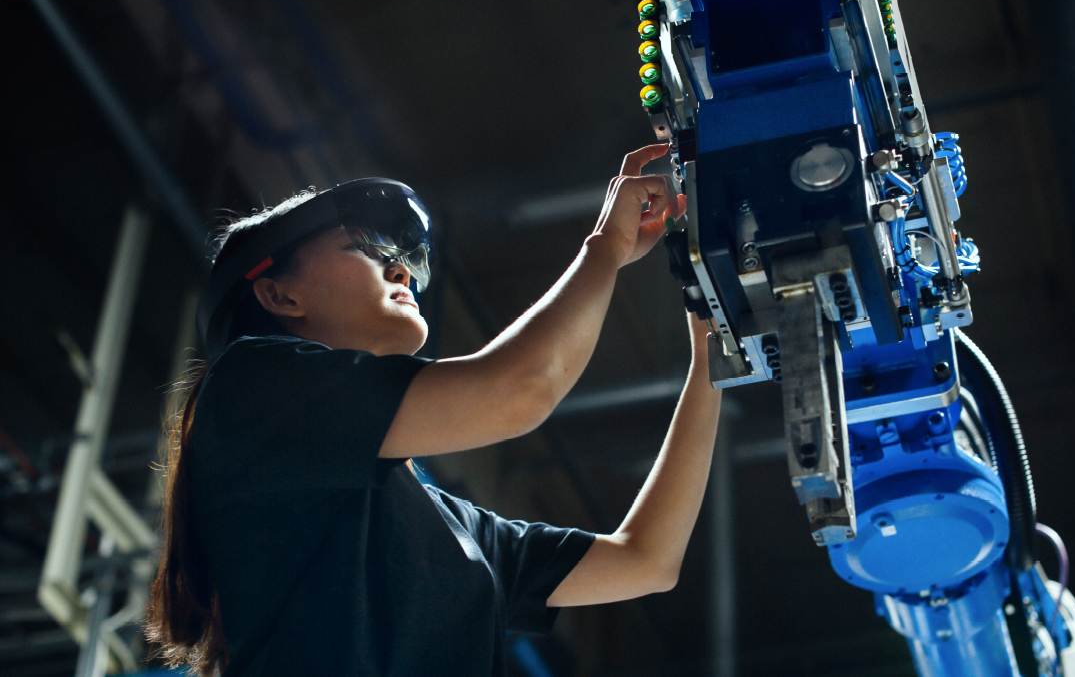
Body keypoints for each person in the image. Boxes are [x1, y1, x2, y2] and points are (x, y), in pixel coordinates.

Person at [146, 143, 722, 676]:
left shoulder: (452, 531)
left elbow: (646, 559)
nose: (402, 269)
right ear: (278, 294)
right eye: (365, 248)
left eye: (403, 256)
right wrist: (605, 248)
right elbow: (520, 389)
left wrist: (710, 361)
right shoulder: (249, 390)